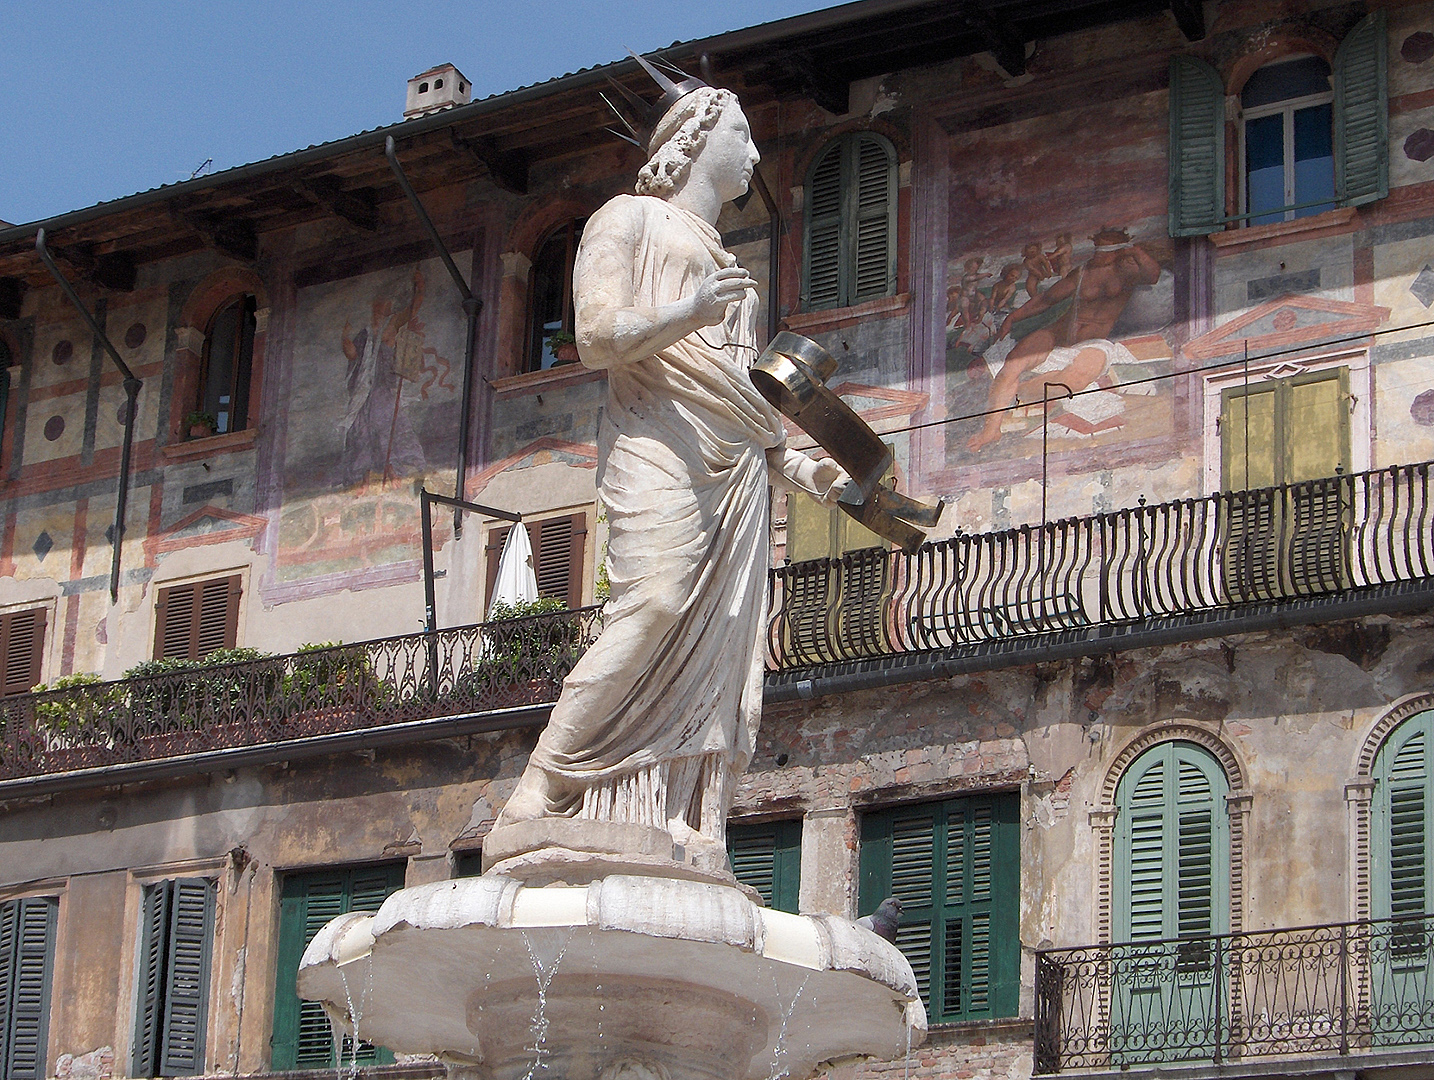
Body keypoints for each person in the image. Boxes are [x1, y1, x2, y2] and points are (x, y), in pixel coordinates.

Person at [493, 85, 847, 854]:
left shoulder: (731, 265)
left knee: (723, 639)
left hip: (738, 473)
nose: (755, 154)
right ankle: (543, 786)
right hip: (657, 442)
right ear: (694, 136)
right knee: (652, 604)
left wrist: (815, 475)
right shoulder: (623, 219)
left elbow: (745, 402)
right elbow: (594, 336)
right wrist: (687, 311)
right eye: (743, 135)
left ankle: (685, 815)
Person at [966, 228, 1160, 452]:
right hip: (1058, 333)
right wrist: (1012, 317)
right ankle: (991, 429)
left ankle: (1023, 392)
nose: (1098, 254)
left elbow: (1153, 275)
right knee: (1013, 363)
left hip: (1094, 341)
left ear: (1116, 250)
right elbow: (1047, 299)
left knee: (1073, 381)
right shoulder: (1083, 272)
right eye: (1097, 247)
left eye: (1105, 248)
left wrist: (1135, 251)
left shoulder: (1127, 271)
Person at [339, 268, 428, 487]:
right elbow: (352, 355)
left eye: (382, 307)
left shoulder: (390, 328)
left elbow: (411, 310)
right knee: (361, 430)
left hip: (383, 389)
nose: (378, 311)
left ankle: (394, 471)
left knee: (388, 426)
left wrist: (420, 289)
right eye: (376, 308)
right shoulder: (365, 335)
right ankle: (364, 478)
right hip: (364, 392)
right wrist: (344, 336)